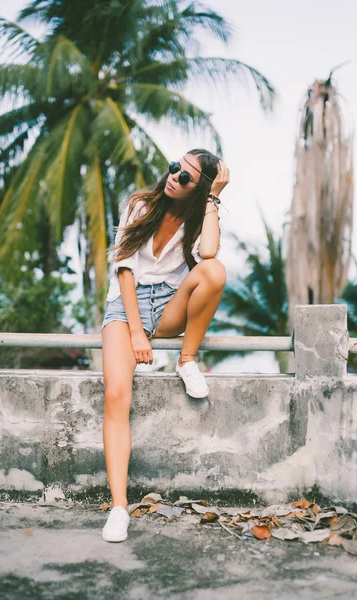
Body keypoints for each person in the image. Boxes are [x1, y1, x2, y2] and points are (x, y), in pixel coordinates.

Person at [101, 148, 230, 542]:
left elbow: (207, 256)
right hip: (126, 306)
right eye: (176, 167)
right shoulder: (140, 205)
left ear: (200, 188)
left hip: (169, 305)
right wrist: (137, 332)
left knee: (215, 271)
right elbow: (124, 269)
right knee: (117, 396)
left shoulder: (198, 217)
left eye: (188, 177)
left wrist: (213, 199)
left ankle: (186, 360)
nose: (176, 177)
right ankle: (120, 509)